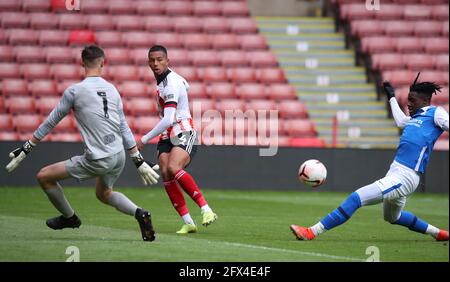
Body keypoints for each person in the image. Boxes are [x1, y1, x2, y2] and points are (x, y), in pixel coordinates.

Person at [5, 45, 160, 242]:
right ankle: (140, 213)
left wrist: (27, 148)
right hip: (119, 155)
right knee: (104, 194)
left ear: (82, 63)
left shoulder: (75, 91)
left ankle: (70, 218)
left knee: (44, 177)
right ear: (103, 63)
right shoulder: (112, 90)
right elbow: (124, 127)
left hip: (98, 158)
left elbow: (51, 121)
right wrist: (137, 161)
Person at [290, 73, 449, 241]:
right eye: (408, 100)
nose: (409, 103)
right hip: (395, 172)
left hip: (406, 176)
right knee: (392, 217)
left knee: (357, 197)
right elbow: (401, 121)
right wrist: (391, 97)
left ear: (425, 101)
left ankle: (311, 232)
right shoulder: (415, 118)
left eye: (413, 100)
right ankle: (438, 233)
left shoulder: (435, 113)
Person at [136, 45, 218, 234]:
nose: (155, 64)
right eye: (152, 60)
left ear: (167, 61)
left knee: (174, 167)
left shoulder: (171, 83)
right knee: (166, 172)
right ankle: (188, 222)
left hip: (183, 130)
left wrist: (144, 139)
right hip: (168, 134)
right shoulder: (163, 82)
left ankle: (207, 210)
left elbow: (168, 119)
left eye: (159, 60)